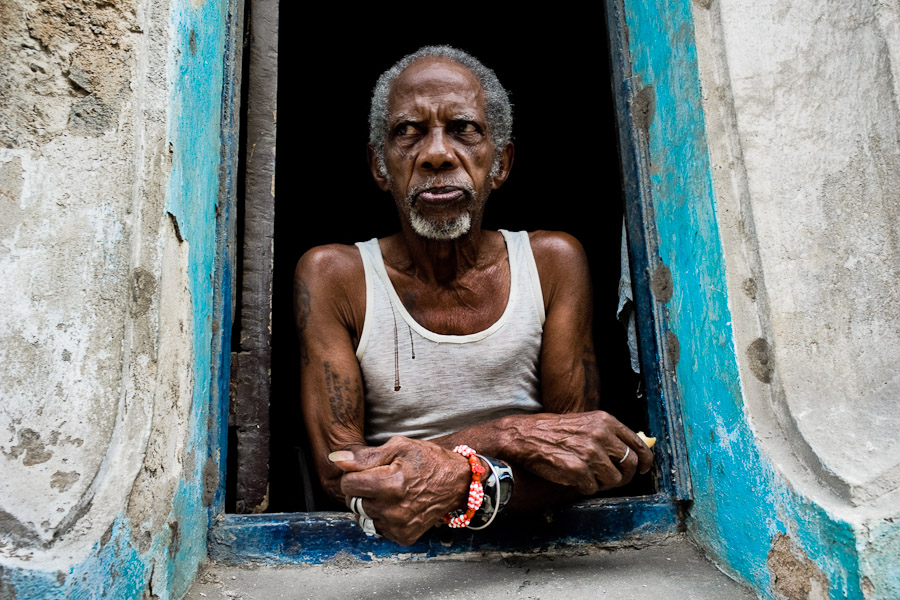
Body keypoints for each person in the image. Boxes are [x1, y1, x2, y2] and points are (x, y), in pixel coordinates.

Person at [293, 46, 653, 546]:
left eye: (463, 129)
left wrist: (464, 481)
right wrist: (508, 435)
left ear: (501, 163)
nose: (436, 153)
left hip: (538, 551)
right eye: (408, 132)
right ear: (379, 167)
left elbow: (578, 457)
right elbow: (344, 473)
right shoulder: (335, 276)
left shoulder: (551, 263)